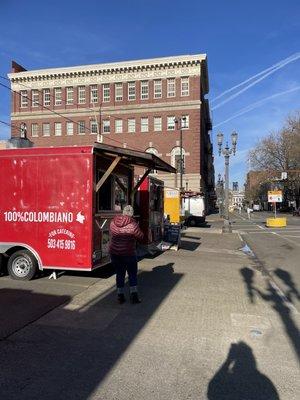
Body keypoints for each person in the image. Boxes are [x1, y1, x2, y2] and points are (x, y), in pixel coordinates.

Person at [109, 205, 143, 304]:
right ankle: (134, 296)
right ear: (132, 214)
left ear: (123, 212)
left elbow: (111, 235)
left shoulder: (112, 222)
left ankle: (120, 297)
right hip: (128, 253)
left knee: (119, 274)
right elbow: (140, 236)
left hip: (115, 252)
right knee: (132, 274)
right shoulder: (133, 224)